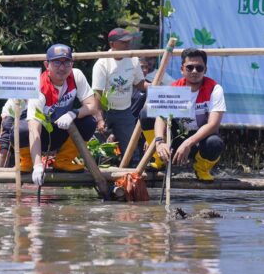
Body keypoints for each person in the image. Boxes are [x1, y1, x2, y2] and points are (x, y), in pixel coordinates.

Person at [12, 44, 97, 185]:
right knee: (20, 130)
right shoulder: (39, 87)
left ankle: (63, 160)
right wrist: (38, 165)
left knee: (89, 122)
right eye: (57, 62)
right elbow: (34, 128)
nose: (62, 68)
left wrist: (73, 113)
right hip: (40, 134)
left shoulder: (76, 76)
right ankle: (27, 162)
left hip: (61, 130)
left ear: (72, 64)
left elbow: (92, 106)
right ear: (47, 64)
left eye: (66, 62)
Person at [140, 48, 226, 182]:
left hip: (198, 140)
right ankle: (160, 157)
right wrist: (159, 141)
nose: (194, 71)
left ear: (205, 70)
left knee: (215, 143)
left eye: (199, 68)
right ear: (182, 69)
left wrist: (188, 143)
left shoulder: (215, 89)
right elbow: (161, 117)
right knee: (146, 112)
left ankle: (201, 168)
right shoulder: (174, 88)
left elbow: (213, 125)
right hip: (177, 137)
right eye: (190, 67)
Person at [92, 28, 148, 160]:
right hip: (105, 111)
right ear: (112, 44)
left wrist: (158, 89)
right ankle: (96, 176)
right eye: (123, 42)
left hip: (125, 111)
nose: (128, 45)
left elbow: (140, 84)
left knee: (131, 150)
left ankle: (131, 174)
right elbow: (97, 94)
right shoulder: (102, 63)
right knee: (99, 150)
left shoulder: (133, 59)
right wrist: (99, 119)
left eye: (129, 41)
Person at [0, 99, 27, 168]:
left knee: (25, 150)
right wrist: (0, 136)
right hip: (10, 114)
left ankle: (21, 174)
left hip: (27, 115)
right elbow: (4, 119)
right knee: (4, 151)